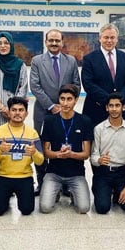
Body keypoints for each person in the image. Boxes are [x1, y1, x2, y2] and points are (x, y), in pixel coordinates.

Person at [29, 29, 81, 192]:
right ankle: (42, 183)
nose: (53, 43)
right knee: (42, 146)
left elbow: (76, 85)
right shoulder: (37, 61)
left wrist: (66, 105)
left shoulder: (71, 61)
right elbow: (35, 86)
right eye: (50, 40)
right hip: (43, 112)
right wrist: (52, 107)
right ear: (46, 42)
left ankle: (64, 184)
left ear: (62, 42)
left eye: (57, 40)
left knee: (63, 144)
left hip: (66, 113)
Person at [39, 84, 93, 214]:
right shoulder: (49, 120)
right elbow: (46, 152)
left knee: (84, 208)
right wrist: (58, 155)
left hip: (76, 174)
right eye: (62, 99)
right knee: (45, 208)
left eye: (69, 99)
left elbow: (86, 154)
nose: (65, 103)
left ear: (76, 100)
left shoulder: (84, 121)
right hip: (54, 173)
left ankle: (73, 191)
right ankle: (56, 190)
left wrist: (71, 154)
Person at [0, 96, 43, 216]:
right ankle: (4, 199)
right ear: (8, 112)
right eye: (14, 110)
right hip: (3, 176)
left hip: (25, 177)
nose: (17, 113)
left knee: (27, 210)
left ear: (26, 113)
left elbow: (40, 162)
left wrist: (34, 153)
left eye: (21, 110)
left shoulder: (32, 133)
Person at [90, 92, 125, 214]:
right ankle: (99, 188)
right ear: (106, 108)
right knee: (102, 208)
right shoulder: (99, 129)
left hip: (121, 173)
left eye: (117, 105)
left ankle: (117, 191)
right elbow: (93, 156)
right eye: (111, 106)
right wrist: (99, 160)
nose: (114, 109)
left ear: (123, 107)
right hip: (103, 172)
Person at [81, 23, 125, 126]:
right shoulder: (89, 59)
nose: (109, 41)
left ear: (117, 39)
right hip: (96, 110)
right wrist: (109, 100)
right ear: (100, 38)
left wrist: (119, 100)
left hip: (120, 111)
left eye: (112, 37)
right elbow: (88, 83)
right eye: (106, 37)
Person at [0, 31, 29, 128]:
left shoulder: (20, 65)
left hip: (15, 113)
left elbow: (23, 89)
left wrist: (12, 109)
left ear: (11, 45)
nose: (3, 46)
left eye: (6, 43)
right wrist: (2, 107)